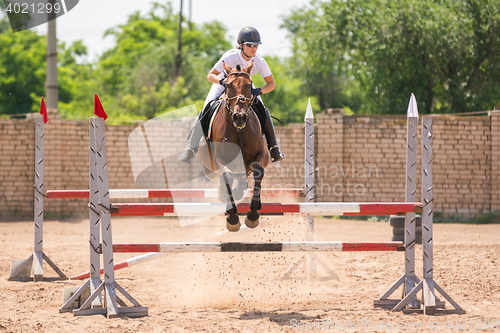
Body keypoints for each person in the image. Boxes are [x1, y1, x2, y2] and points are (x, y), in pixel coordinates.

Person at [178, 26, 286, 164]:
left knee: (263, 110)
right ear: (241, 45)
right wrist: (222, 81)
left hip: (245, 86)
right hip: (222, 83)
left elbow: (271, 84)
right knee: (206, 108)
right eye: (250, 45)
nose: (254, 49)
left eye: (256, 46)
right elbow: (210, 75)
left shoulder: (259, 60)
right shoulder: (231, 56)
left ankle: (273, 147)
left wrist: (258, 91)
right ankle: (191, 148)